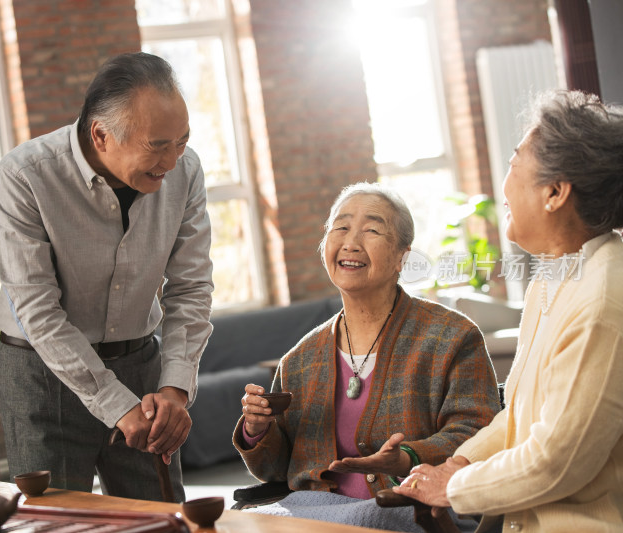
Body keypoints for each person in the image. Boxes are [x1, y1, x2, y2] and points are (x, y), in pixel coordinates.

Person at [395, 90, 623, 532]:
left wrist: (453, 487)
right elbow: (520, 418)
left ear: (555, 192)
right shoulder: (554, 276)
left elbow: (556, 462)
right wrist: (457, 463)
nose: (503, 185)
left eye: (515, 163)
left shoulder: (602, 300)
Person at [0, 52, 213, 502]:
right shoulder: (25, 176)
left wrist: (172, 391)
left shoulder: (184, 171)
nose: (171, 162)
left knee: (163, 518)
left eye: (182, 141)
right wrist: (118, 405)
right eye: (157, 145)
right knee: (55, 522)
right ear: (101, 134)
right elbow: (37, 310)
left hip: (141, 368)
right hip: (42, 376)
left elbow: (191, 288)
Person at [235, 182, 501, 530]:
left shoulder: (452, 337)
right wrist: (258, 430)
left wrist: (408, 458)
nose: (350, 242)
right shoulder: (300, 360)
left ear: (402, 256)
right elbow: (277, 469)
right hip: (315, 512)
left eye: (372, 230)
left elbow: (478, 431)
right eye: (340, 228)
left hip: (414, 506)